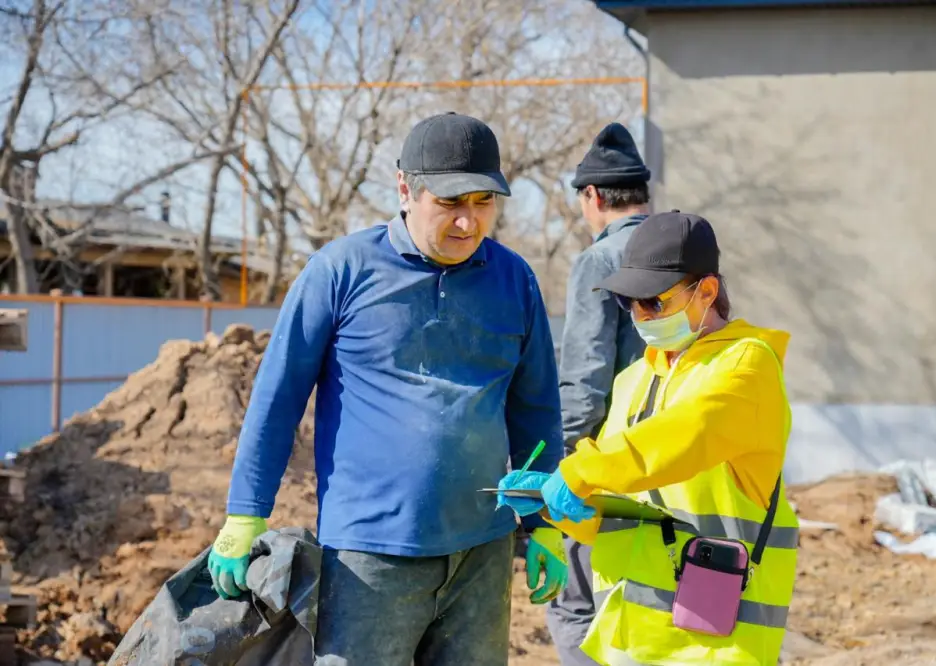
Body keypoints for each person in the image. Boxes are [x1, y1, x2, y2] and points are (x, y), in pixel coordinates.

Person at [208, 111, 567, 666]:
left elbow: (536, 407)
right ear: (405, 188)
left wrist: (545, 523)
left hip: (482, 553)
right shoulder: (340, 271)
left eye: (482, 202)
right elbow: (277, 398)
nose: (468, 223)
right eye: (450, 203)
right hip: (368, 559)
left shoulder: (514, 278)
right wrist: (244, 513)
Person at [498, 211, 799, 666]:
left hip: (713, 647)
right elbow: (627, 513)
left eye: (653, 302)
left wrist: (576, 471)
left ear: (708, 292)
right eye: (628, 302)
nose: (640, 315)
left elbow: (679, 437)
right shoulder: (634, 378)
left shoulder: (746, 367)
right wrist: (553, 504)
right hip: (631, 640)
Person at [548, 122, 648, 666]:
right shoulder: (687, 253)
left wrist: (560, 466)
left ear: (592, 196)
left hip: (612, 466)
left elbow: (585, 381)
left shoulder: (601, 261)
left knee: (579, 607)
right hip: (682, 461)